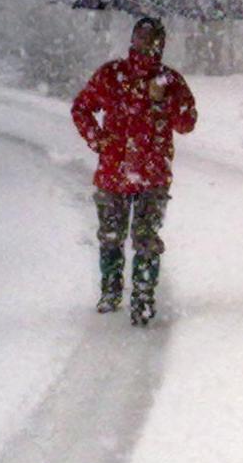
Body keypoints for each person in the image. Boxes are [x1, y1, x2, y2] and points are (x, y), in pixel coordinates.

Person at [72, 17, 197, 325]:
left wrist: (163, 100)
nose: (146, 44)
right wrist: (97, 139)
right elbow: (81, 108)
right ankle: (111, 291)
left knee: (146, 239)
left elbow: (187, 123)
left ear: (162, 44)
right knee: (111, 237)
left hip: (152, 176)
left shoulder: (170, 81)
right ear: (132, 40)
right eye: (141, 38)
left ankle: (142, 297)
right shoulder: (112, 75)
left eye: (153, 39)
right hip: (113, 173)